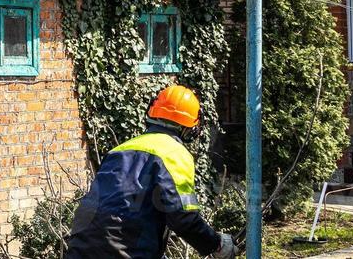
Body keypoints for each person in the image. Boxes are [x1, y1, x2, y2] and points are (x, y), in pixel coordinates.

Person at [65, 84, 236, 259]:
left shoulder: (119, 150)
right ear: (188, 125)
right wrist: (217, 244)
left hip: (81, 244)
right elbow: (184, 218)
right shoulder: (175, 153)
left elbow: (123, 205)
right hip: (125, 248)